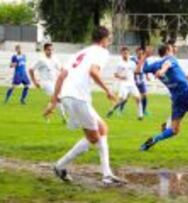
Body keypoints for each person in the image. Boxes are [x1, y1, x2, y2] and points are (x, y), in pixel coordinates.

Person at [43, 26, 126, 185]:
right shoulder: (102, 52)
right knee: (94, 137)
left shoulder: (79, 53)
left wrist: (53, 101)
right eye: (109, 37)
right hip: (78, 98)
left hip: (69, 96)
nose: (110, 40)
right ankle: (60, 166)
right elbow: (94, 72)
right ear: (103, 39)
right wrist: (107, 90)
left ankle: (107, 174)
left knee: (102, 129)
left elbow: (61, 76)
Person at [140, 44, 188, 151]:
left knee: (173, 130)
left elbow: (143, 69)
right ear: (167, 50)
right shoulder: (170, 58)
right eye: (172, 48)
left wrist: (144, 56)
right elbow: (167, 64)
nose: (174, 50)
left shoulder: (154, 65)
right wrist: (162, 70)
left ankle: (153, 140)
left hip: (177, 99)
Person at [29, 43, 67, 122]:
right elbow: (31, 69)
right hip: (45, 83)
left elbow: (61, 68)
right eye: (48, 50)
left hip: (54, 82)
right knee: (58, 98)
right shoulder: (41, 60)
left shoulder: (55, 59)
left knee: (56, 100)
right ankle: (64, 118)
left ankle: (49, 115)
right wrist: (35, 81)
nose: (50, 51)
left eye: (52, 50)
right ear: (45, 50)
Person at [106, 47, 144, 120]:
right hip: (124, 84)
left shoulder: (132, 63)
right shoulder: (119, 64)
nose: (125, 54)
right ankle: (111, 109)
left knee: (138, 98)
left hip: (132, 84)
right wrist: (121, 77)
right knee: (122, 99)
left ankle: (140, 115)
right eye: (124, 53)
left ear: (129, 54)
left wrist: (140, 64)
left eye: (127, 53)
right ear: (121, 54)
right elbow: (115, 74)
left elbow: (136, 71)